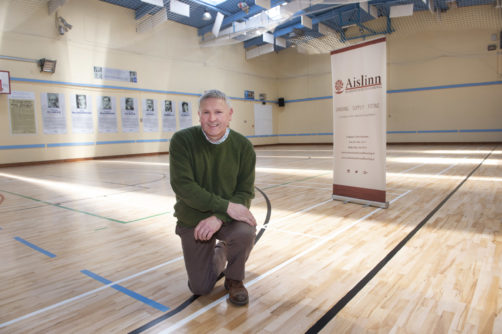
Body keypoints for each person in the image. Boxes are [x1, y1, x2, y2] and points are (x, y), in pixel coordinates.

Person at [169, 89, 256, 306]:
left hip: (225, 218)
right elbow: (183, 186)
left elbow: (244, 192)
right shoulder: (182, 141)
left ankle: (235, 279)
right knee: (201, 287)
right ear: (199, 115)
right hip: (193, 218)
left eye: (218, 112)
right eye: (206, 112)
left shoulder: (243, 147)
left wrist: (218, 216)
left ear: (230, 114)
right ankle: (222, 250)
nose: (212, 118)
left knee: (245, 230)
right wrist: (224, 206)